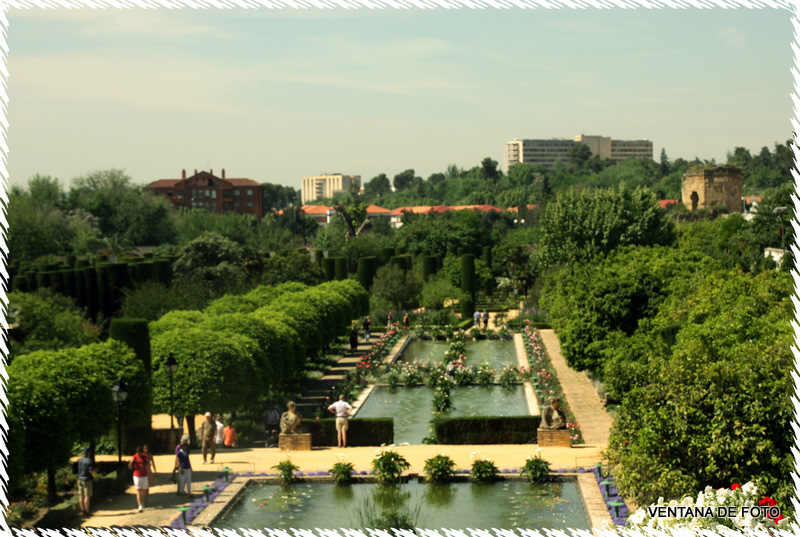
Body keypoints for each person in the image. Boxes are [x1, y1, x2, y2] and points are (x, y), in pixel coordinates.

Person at [128, 446, 150, 512]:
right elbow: (130, 468)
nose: (139, 454)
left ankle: (142, 501)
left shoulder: (144, 456)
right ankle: (139, 505)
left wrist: (148, 461)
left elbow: (148, 465)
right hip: (136, 475)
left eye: (140, 453)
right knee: (138, 490)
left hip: (144, 475)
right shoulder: (134, 457)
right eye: (138, 453)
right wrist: (131, 462)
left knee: (144, 490)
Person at [76, 447, 95, 516]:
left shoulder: (79, 460)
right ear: (89, 453)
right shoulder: (89, 461)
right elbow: (91, 471)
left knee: (81, 495)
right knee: (87, 496)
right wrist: (95, 470)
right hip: (87, 480)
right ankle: (87, 511)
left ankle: (82, 510)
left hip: (80, 479)